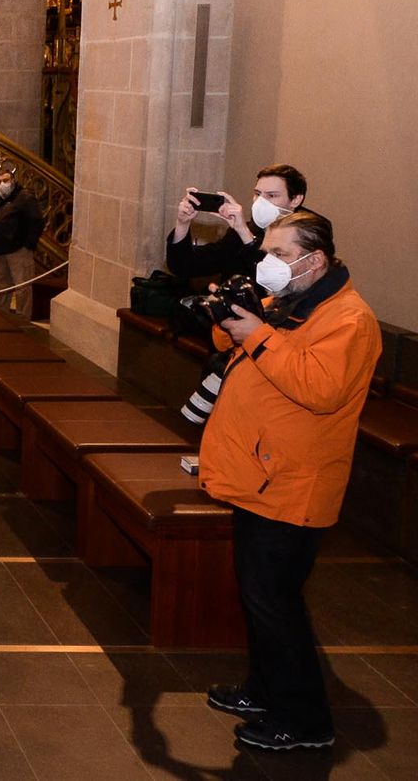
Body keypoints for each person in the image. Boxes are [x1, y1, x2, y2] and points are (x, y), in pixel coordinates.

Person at [198, 210, 379, 752]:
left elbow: (318, 388)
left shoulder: (349, 320)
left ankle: (305, 720)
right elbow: (234, 344)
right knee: (258, 597)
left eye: (279, 255)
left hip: (294, 482)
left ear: (314, 260)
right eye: (266, 254)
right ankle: (264, 688)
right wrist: (228, 315)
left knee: (275, 600)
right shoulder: (291, 301)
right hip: (260, 473)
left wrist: (256, 333)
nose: (267, 264)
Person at [167, 163, 308, 281]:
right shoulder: (245, 231)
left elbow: (274, 279)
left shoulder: (309, 233)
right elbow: (185, 266)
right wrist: (183, 223)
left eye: (271, 195)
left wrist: (244, 233)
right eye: (257, 194)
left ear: (295, 200)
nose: (260, 201)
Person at [0, 168, 45, 319]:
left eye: (5, 180)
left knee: (22, 287)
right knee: (0, 286)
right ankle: (2, 318)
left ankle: (22, 321)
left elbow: (37, 221)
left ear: (13, 181)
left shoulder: (24, 197)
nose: (2, 184)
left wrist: (28, 245)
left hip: (18, 251)